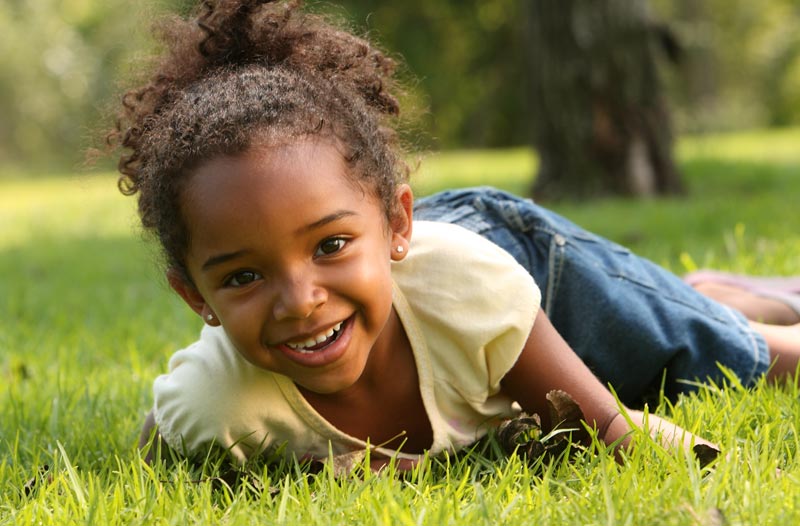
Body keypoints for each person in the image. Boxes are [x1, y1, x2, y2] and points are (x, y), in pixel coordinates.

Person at [111, 0, 800, 469]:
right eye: (242, 277)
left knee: (731, 357)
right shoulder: (214, 404)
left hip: (524, 272)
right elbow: (169, 431)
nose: (299, 301)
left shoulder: (471, 288)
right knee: (671, 311)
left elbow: (614, 432)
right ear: (193, 296)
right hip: (457, 315)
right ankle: (707, 291)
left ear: (396, 223)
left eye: (328, 246)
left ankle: (748, 309)